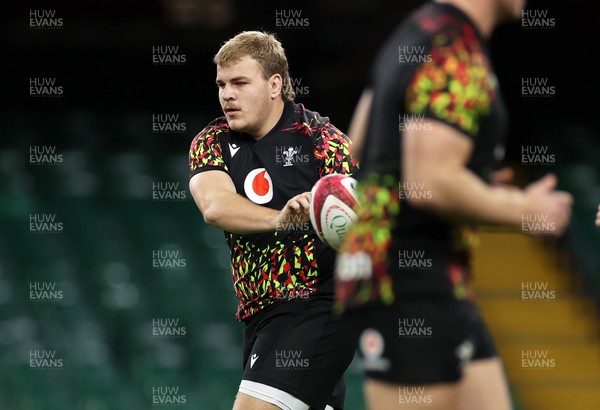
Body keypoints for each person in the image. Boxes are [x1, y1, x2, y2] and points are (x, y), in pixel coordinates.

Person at [336, 1, 573, 409]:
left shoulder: (414, 31)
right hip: (407, 284)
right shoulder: (453, 50)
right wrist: (525, 209)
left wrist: (472, 182)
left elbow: (358, 147)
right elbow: (430, 184)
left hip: (435, 280)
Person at [188, 31, 359, 410]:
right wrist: (281, 218)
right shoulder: (212, 141)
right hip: (262, 317)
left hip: (318, 303)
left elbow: (359, 220)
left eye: (240, 83)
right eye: (221, 84)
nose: (227, 95)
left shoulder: (324, 142)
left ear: (274, 84)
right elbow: (215, 206)